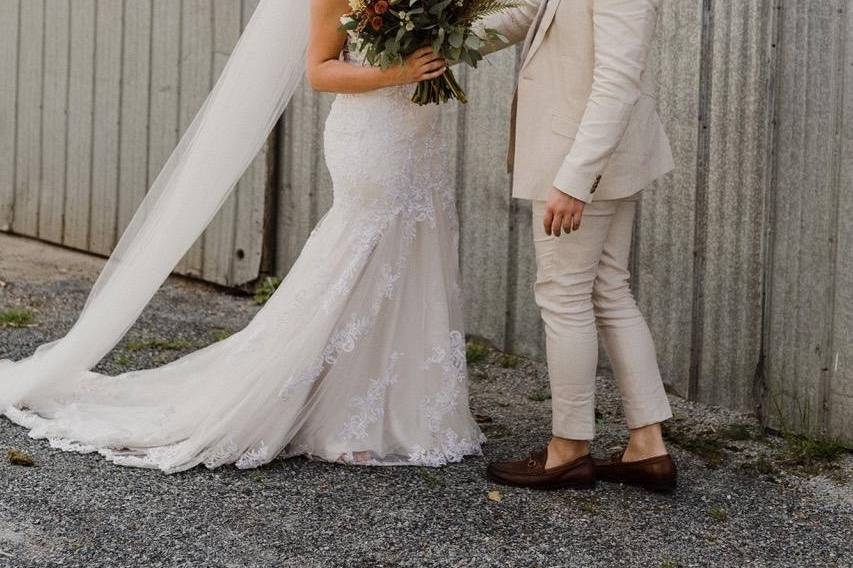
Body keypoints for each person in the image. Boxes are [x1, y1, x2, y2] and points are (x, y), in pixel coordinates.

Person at [0, 0, 485, 473]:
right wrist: (397, 73)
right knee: (360, 255)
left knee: (411, 249)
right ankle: (328, 408)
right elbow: (319, 70)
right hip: (373, 139)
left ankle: (396, 405)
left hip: (420, 135)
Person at [482, 0, 679, 492]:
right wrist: (443, 36)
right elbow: (530, 8)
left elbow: (617, 81)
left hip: (582, 159)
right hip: (596, 158)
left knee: (564, 295)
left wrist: (574, 180)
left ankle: (568, 450)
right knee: (609, 290)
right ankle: (647, 448)